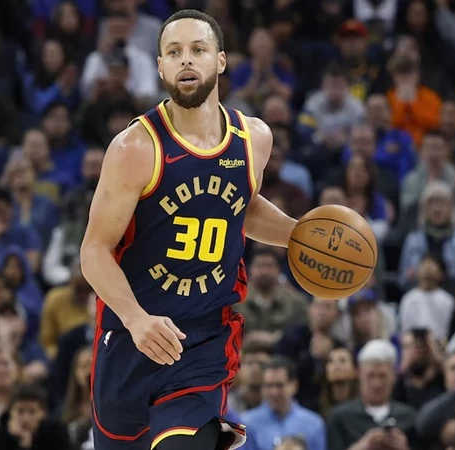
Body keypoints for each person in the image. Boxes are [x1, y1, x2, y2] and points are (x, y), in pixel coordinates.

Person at [80, 9, 300, 450]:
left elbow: (241, 206)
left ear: (220, 60)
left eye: (198, 50)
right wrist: (137, 320)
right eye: (174, 52)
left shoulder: (253, 138)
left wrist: (301, 238)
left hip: (204, 338)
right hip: (132, 336)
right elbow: (94, 251)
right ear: (160, 66)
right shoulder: (135, 147)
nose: (186, 59)